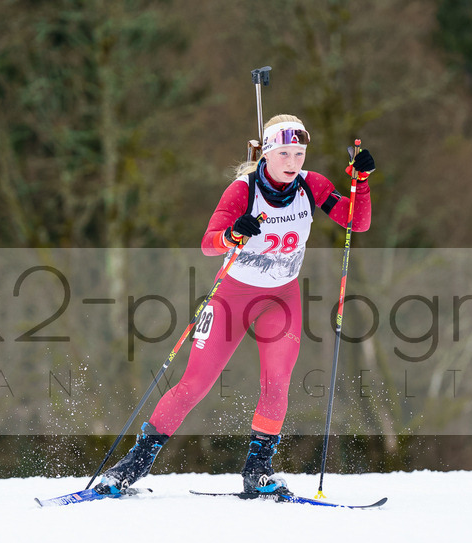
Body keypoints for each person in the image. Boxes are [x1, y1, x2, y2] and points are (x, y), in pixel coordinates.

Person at [95, 114, 376, 496]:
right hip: (231, 298)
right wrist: (232, 234)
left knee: (277, 382)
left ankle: (257, 470)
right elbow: (208, 243)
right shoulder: (242, 191)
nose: (293, 162)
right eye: (284, 153)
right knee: (194, 383)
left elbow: (355, 223)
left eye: (299, 153)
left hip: (282, 299)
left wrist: (361, 184)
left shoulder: (313, 185)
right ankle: (132, 466)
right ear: (268, 152)